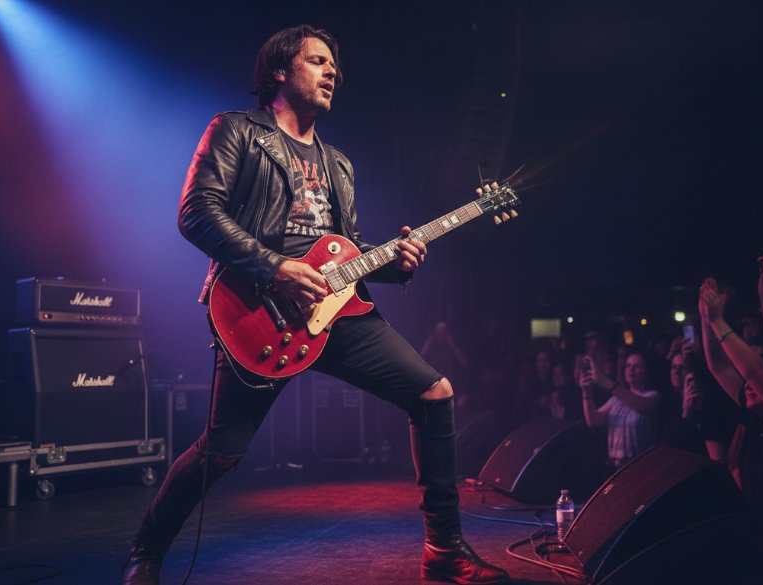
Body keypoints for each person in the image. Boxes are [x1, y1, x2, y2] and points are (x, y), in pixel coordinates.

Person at [122, 26, 508, 585]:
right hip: (258, 310)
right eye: (319, 61)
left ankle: (444, 551)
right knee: (222, 453)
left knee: (434, 393)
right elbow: (197, 212)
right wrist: (273, 267)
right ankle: (147, 550)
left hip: (339, 314)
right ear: (280, 70)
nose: (333, 73)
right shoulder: (236, 131)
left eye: (336, 66)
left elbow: (343, 246)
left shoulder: (339, 164)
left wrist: (394, 263)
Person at [579, 349, 661, 469]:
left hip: (640, 468)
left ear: (648, 371)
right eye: (628, 366)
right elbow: (593, 421)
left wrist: (602, 379)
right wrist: (586, 391)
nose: (631, 370)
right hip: (614, 467)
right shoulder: (616, 399)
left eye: (637, 366)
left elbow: (638, 404)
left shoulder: (653, 396)